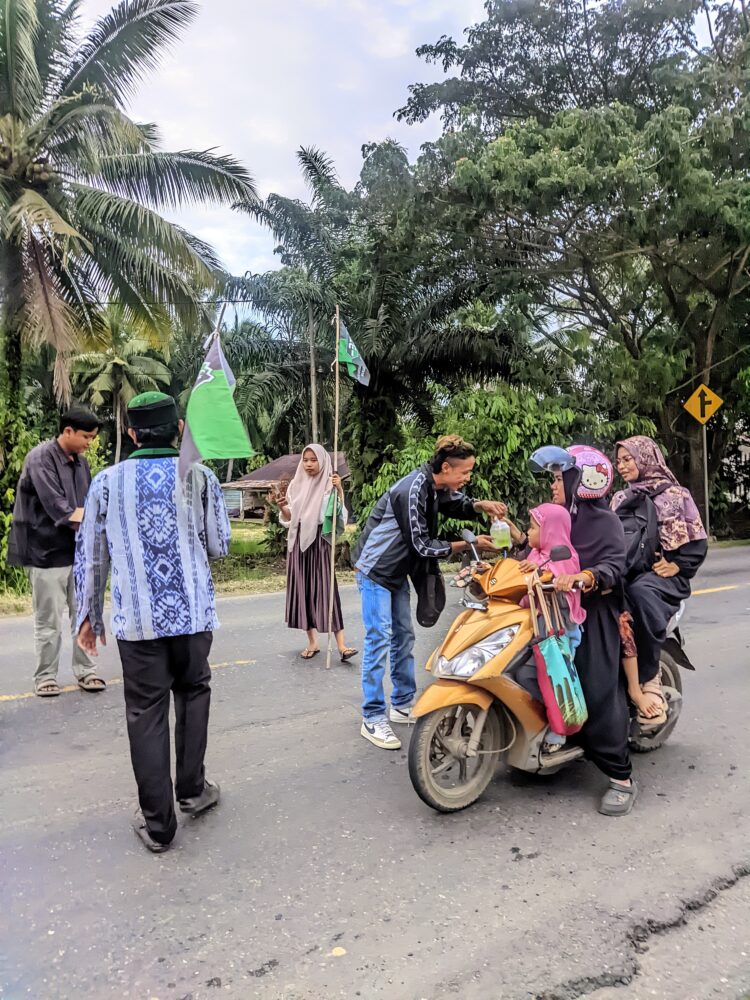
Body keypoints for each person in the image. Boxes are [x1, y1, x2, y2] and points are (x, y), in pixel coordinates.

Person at [74, 392, 231, 854]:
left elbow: (92, 555)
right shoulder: (199, 477)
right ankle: (193, 791)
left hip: (138, 623)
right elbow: (220, 544)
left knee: (146, 715)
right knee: (194, 695)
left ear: (132, 433)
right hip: (193, 616)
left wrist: (89, 616)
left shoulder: (106, 482)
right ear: (179, 429)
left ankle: (159, 827)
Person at [352, 434, 504, 751]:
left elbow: (454, 502)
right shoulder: (412, 490)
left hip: (396, 572)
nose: (467, 478)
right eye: (465, 472)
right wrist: (471, 543)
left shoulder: (435, 487)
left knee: (404, 636)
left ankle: (403, 704)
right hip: (375, 570)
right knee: (379, 636)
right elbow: (422, 545)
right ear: (446, 467)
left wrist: (478, 505)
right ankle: (372, 716)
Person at [537, 445, 637, 816]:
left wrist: (586, 576)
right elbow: (536, 549)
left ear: (581, 479)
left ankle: (620, 777)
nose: (552, 485)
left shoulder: (604, 521)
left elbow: (614, 564)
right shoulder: (561, 517)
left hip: (594, 613)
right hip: (555, 612)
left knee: (596, 689)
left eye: (558, 478)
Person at [7, 406, 105, 697]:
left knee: (83, 615)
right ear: (68, 431)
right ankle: (46, 676)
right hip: (45, 553)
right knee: (48, 621)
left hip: (77, 553)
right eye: (86, 437)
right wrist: (102, 522)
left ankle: (86, 672)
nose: (90, 443)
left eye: (93, 438)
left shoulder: (81, 463)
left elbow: (87, 505)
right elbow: (58, 509)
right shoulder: (40, 458)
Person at [612, 435, 707, 726]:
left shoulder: (677, 496)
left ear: (646, 459)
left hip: (661, 578)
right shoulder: (620, 498)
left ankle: (648, 676)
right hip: (629, 571)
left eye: (628, 459)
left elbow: (696, 541)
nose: (622, 466)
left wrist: (678, 565)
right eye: (619, 461)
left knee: (640, 595)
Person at [275, 444, 357, 662]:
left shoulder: (329, 485)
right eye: (306, 459)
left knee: (327, 591)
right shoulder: (296, 485)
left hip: (321, 542)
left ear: (322, 461)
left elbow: (338, 518)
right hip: (299, 543)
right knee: (303, 590)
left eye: (313, 460)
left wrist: (339, 490)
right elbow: (290, 517)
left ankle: (341, 645)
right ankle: (312, 642)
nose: (309, 464)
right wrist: (282, 507)